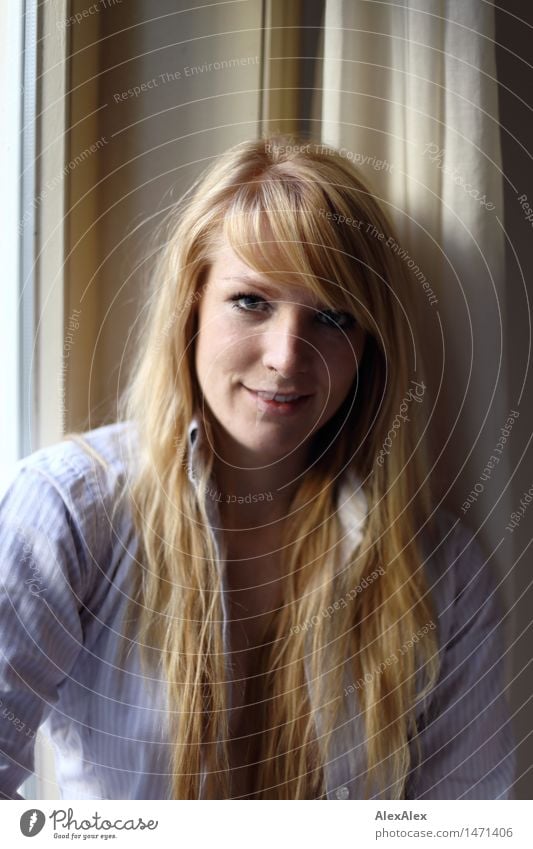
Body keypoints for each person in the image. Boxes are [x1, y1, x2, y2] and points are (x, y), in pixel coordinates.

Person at [0, 137, 515, 800]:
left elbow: (465, 822)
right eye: (251, 302)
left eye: (333, 317)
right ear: (192, 305)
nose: (286, 356)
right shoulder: (68, 512)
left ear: (369, 348)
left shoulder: (440, 569)